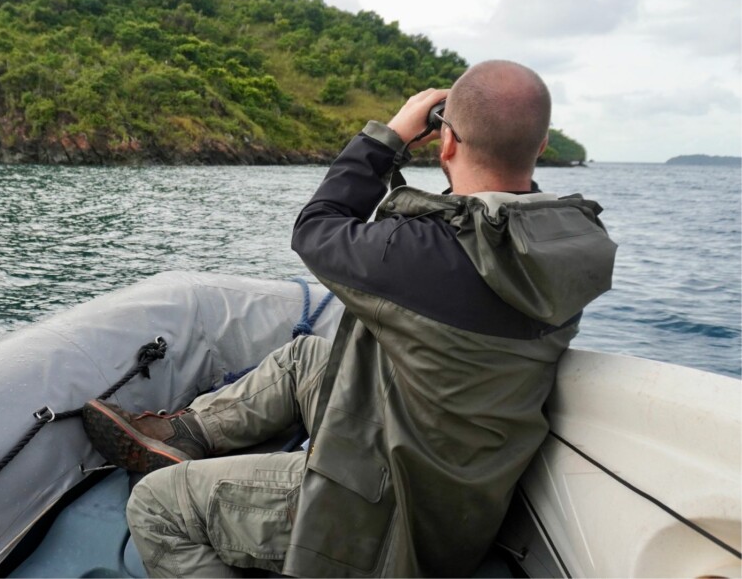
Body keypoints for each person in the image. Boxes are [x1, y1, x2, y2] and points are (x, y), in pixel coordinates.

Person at [82, 60, 617, 577]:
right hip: (460, 500)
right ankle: (186, 435)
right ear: (541, 146)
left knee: (156, 507)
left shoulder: (422, 252)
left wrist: (388, 138)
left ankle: (192, 476)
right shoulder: (568, 246)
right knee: (305, 358)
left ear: (447, 141)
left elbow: (315, 229)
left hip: (378, 521)